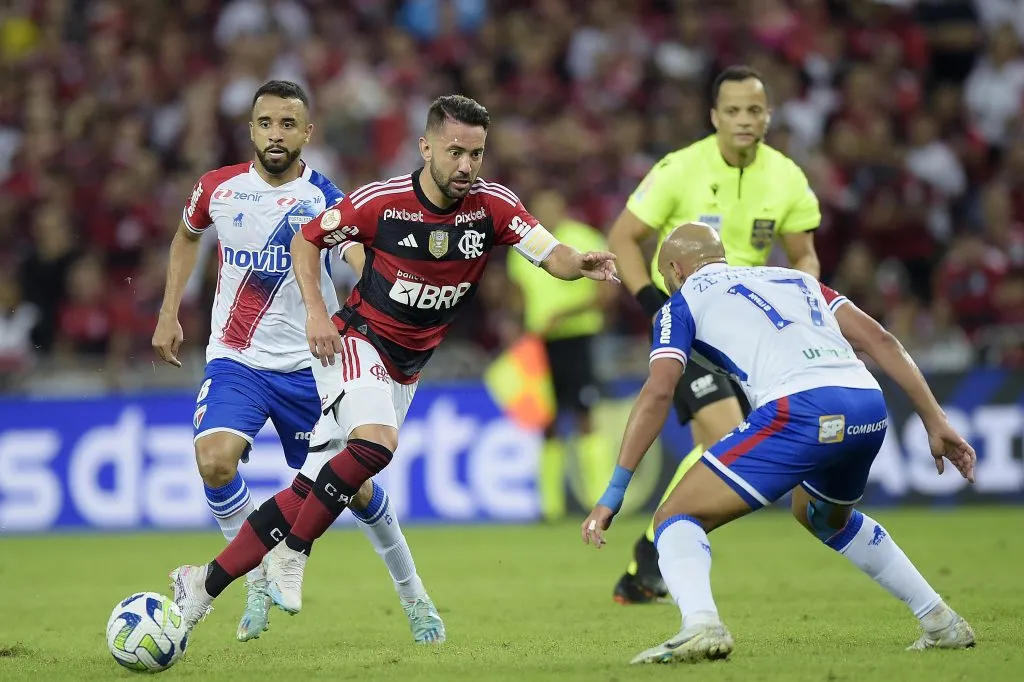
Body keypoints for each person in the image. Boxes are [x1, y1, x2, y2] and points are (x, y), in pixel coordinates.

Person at [168, 94, 618, 632]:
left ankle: (203, 582)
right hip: (357, 341)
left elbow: (549, 251)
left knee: (318, 488)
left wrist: (579, 263)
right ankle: (295, 551)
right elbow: (307, 242)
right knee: (376, 444)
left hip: (407, 366)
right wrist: (316, 313)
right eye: (455, 152)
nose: (466, 166)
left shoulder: (493, 205)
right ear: (425, 147)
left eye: (476, 154)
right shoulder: (380, 202)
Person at [582, 223, 977, 664]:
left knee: (676, 516)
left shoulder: (681, 303)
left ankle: (700, 625)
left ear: (675, 269)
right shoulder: (795, 278)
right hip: (866, 405)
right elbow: (880, 340)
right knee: (821, 515)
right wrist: (935, 419)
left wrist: (615, 491)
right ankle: (940, 621)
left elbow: (658, 392)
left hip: (800, 409)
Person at [152, 80, 445, 644]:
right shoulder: (218, 188)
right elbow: (186, 238)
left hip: (315, 364)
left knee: (356, 489)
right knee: (214, 459)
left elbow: (356, 248)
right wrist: (169, 312)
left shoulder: (324, 197)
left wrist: (385, 291)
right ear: (251, 129)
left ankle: (415, 597)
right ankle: (256, 578)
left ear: (308, 133)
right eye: (266, 123)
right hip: (237, 358)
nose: (276, 134)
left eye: (288, 124)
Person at [606, 65, 823, 603]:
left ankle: (650, 556)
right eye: (733, 111)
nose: (744, 121)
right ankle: (661, 547)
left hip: (752, 333)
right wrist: (655, 303)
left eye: (754, 110)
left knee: (723, 439)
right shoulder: (679, 169)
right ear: (714, 117)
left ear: (768, 115)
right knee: (727, 430)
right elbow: (624, 237)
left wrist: (803, 296)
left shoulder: (786, 177)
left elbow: (803, 254)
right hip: (691, 324)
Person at [506, 189, 616, 522]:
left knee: (584, 417)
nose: (546, 212)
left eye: (551, 205)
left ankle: (600, 502)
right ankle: (549, 509)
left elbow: (606, 295)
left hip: (578, 338)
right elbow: (517, 296)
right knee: (547, 423)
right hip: (540, 344)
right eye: (540, 207)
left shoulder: (584, 238)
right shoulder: (524, 243)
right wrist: (517, 328)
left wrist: (564, 316)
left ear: (563, 207)